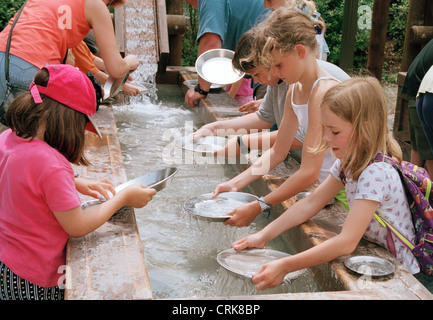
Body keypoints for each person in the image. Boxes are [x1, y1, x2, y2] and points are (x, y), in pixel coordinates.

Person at [232, 77, 420, 290]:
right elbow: (311, 202)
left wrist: (286, 265)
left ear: (365, 129)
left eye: (335, 131)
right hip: (376, 258)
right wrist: (263, 235)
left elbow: (346, 241)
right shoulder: (348, 163)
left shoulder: (375, 173)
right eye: (325, 129)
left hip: (405, 275)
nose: (326, 138)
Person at [0, 64, 156, 300]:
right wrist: (123, 198)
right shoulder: (51, 164)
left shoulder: (8, 138)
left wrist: (74, 182)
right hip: (36, 279)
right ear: (67, 118)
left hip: (7, 265)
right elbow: (77, 225)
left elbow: (25, 179)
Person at [213, 7, 344, 227]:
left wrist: (259, 204)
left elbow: (309, 173)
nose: (275, 72)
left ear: (300, 51)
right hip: (326, 188)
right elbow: (277, 152)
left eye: (278, 64)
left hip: (347, 191)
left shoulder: (322, 92)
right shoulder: (294, 89)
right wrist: (236, 183)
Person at [193, 27, 349, 158]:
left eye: (257, 74)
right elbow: (263, 117)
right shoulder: (279, 79)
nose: (258, 81)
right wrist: (215, 128)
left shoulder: (299, 78)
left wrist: (243, 142)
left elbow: (299, 138)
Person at [0, 0, 140, 125]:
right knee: (40, 139)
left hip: (3, 56)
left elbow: (86, 58)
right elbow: (116, 69)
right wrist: (129, 62)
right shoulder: (96, 5)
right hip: (31, 68)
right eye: (109, 4)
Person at [183, 0, 269, 108]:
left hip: (270, 63)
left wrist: (201, 89)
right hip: (271, 62)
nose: (187, 3)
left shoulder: (210, 2)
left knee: (271, 118)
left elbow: (210, 43)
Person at [401, 38, 433, 174]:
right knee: (428, 152)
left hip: (417, 90)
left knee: (418, 147)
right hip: (423, 90)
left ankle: (411, 188)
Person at [68, 41, 141, 97]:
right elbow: (95, 73)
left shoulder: (78, 40)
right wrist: (124, 87)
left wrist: (120, 72)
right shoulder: (72, 40)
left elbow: (92, 59)